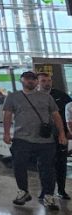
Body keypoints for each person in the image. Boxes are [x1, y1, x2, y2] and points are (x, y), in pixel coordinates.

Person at [3, 71, 68, 211]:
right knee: (19, 165)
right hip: (22, 138)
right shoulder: (13, 97)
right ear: (22, 81)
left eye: (33, 79)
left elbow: (56, 116)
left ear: (36, 82)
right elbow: (7, 115)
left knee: (48, 169)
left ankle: (48, 196)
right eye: (27, 79)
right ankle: (23, 191)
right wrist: (6, 133)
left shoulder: (46, 97)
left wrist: (62, 133)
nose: (30, 81)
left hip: (45, 140)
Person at [37, 72, 72, 200]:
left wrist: (69, 131)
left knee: (61, 163)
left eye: (49, 80)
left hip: (60, 135)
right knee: (44, 164)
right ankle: (45, 191)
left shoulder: (61, 96)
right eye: (43, 81)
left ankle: (61, 190)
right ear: (37, 82)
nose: (47, 83)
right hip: (41, 137)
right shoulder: (32, 97)